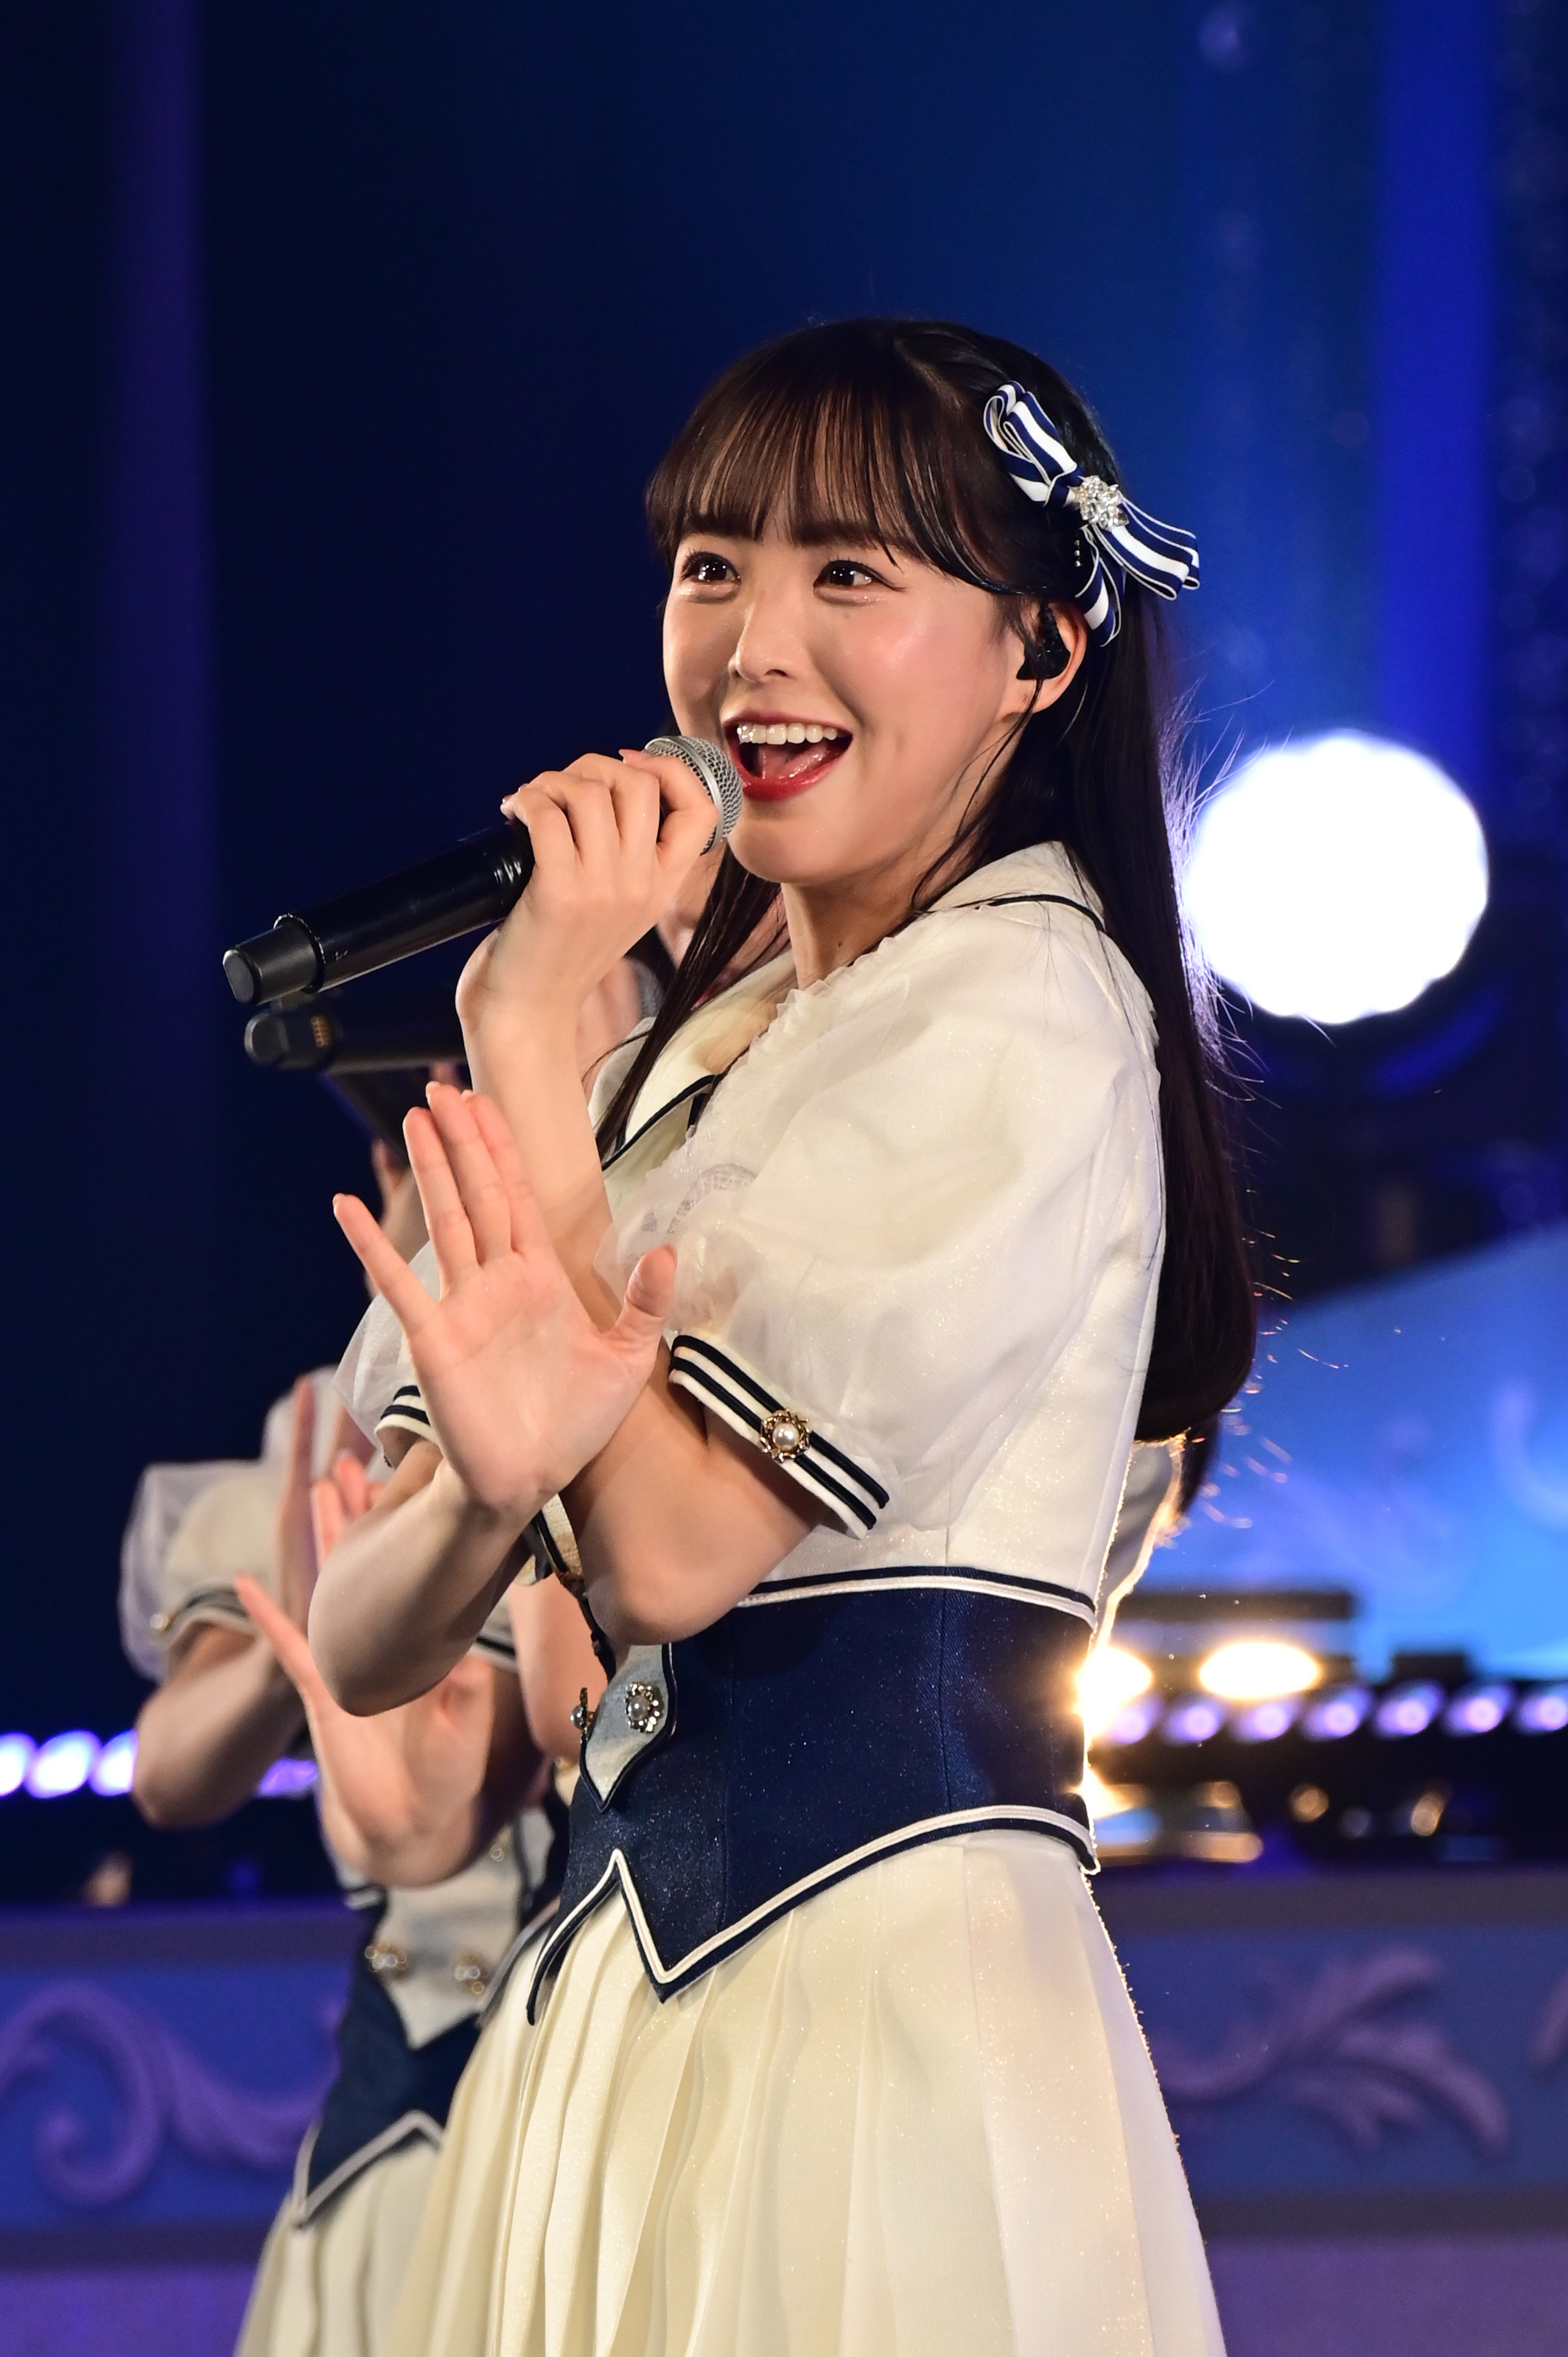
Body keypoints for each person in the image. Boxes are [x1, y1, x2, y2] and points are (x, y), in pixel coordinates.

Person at [312, 318, 1256, 2355]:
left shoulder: (1015, 1002)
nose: (755, 646)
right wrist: (479, 1489)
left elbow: (666, 1555)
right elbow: (370, 1639)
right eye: (710, 566)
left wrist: (524, 1041)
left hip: (872, 1996)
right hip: (609, 1998)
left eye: (849, 573)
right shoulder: (702, 1057)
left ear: (1038, 651)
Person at [121, 1124, 629, 2357]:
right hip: (389, 2113)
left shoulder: (602, 1379)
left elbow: (531, 1736)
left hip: (575, 2065)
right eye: (419, 1159)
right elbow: (169, 1773)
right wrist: (305, 1643)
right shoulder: (306, 1456)